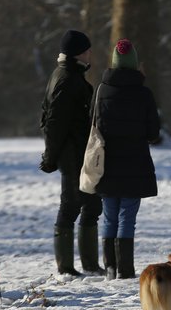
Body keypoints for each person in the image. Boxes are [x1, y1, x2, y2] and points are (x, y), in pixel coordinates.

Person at [94, 39, 160, 279]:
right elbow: (154, 133)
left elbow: (95, 125)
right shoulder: (143, 93)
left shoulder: (101, 90)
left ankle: (110, 267)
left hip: (107, 163)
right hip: (135, 163)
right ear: (135, 64)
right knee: (127, 217)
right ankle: (126, 269)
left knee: (109, 216)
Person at [39, 29, 104, 276]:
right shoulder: (67, 79)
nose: (90, 54)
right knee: (71, 205)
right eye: (87, 50)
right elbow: (55, 122)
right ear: (78, 53)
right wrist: (50, 157)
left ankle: (89, 264)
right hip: (72, 153)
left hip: (81, 151)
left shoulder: (71, 75)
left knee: (91, 204)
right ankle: (66, 266)